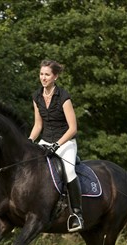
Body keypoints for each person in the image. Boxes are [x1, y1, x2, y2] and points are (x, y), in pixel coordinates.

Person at [28, 60, 84, 232]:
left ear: (55, 76)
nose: (43, 78)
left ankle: (76, 214)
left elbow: (73, 128)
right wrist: (29, 141)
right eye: (41, 74)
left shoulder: (64, 97)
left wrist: (56, 145)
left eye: (47, 75)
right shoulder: (37, 96)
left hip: (65, 141)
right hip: (45, 140)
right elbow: (38, 125)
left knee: (69, 171)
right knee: (29, 166)